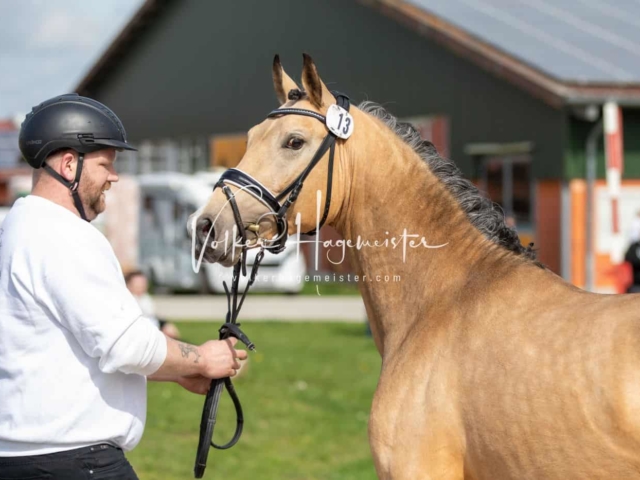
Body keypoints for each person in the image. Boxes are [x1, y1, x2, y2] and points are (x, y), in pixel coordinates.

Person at [0, 94, 247, 480]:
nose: (113, 177)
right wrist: (203, 358)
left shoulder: (19, 228)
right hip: (74, 463)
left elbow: (78, 347)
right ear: (68, 164)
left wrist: (175, 370)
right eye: (105, 164)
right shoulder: (63, 234)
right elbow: (125, 344)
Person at [125, 270, 181, 339]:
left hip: (154, 327)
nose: (142, 285)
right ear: (129, 285)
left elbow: (152, 316)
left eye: (143, 282)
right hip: (142, 333)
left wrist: (164, 324)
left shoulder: (145, 298)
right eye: (138, 283)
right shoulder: (127, 301)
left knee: (171, 330)